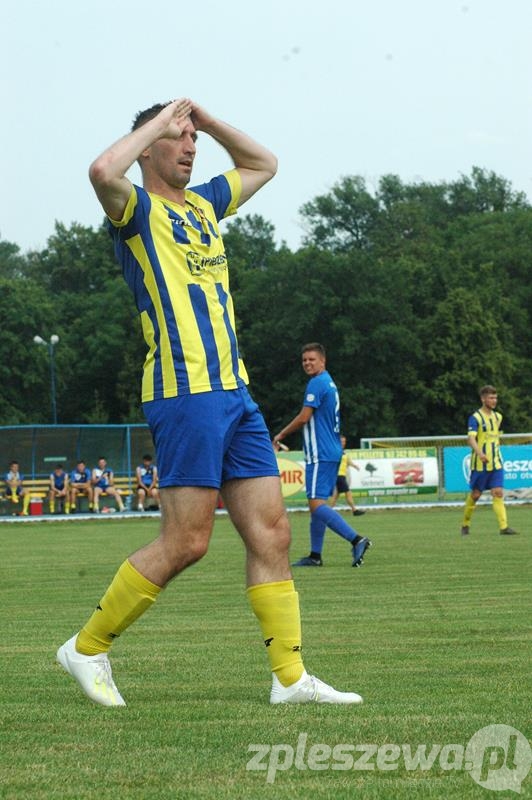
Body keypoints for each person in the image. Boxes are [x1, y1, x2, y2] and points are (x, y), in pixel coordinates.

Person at [57, 98, 362, 708]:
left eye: (194, 139)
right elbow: (101, 170)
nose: (191, 148)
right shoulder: (135, 209)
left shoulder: (204, 204)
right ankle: (86, 648)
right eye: (180, 139)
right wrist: (157, 123)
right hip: (183, 392)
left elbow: (265, 163)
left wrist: (206, 119)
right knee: (187, 542)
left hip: (235, 393)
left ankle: (290, 678)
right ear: (148, 148)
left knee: (272, 534)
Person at [273, 343, 372, 568]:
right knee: (317, 504)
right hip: (330, 450)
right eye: (304, 360)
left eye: (312, 359)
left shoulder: (316, 383)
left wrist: (280, 434)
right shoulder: (328, 382)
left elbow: (304, 417)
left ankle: (356, 539)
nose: (307, 363)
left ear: (323, 361)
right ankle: (315, 556)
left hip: (321, 452)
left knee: (317, 504)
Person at [461, 385, 517, 536]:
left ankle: (504, 527)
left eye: (495, 398)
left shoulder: (498, 417)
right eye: (491, 398)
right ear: (483, 399)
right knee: (476, 495)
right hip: (480, 464)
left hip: (496, 462)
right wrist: (480, 454)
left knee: (498, 492)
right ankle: (465, 524)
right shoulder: (475, 418)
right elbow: (471, 439)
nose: (494, 401)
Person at [330, 435, 365, 516]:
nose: (343, 443)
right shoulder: (335, 451)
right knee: (348, 492)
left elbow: (348, 461)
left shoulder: (343, 452)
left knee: (336, 495)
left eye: (344, 441)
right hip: (338, 476)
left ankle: (327, 512)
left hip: (341, 476)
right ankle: (354, 510)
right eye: (341, 441)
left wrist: (355, 466)